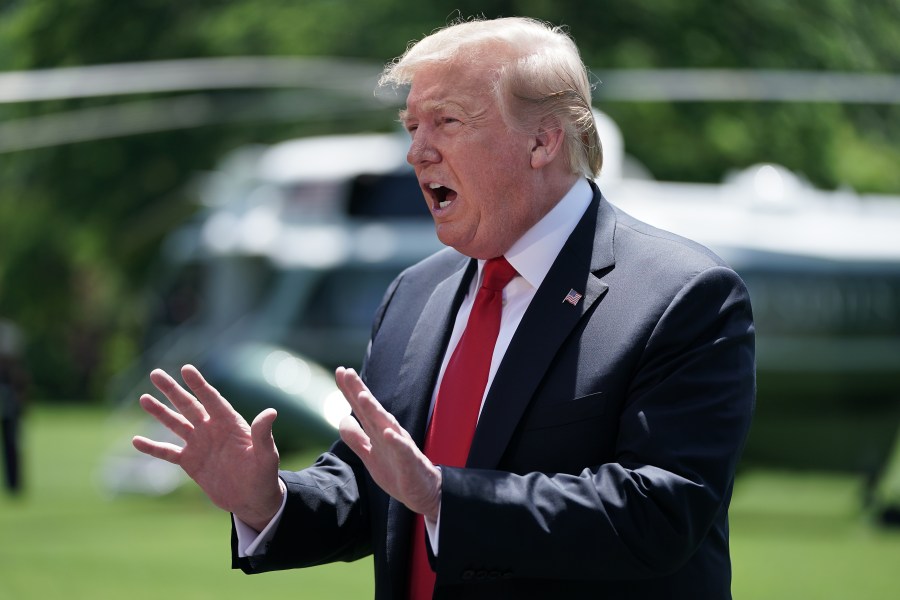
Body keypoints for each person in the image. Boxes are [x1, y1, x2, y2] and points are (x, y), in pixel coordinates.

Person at [133, 16, 755, 599]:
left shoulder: (683, 295)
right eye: (412, 126)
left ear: (542, 140)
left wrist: (444, 498)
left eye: (447, 122)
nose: (416, 152)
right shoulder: (414, 294)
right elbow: (375, 484)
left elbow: (660, 511)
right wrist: (269, 500)